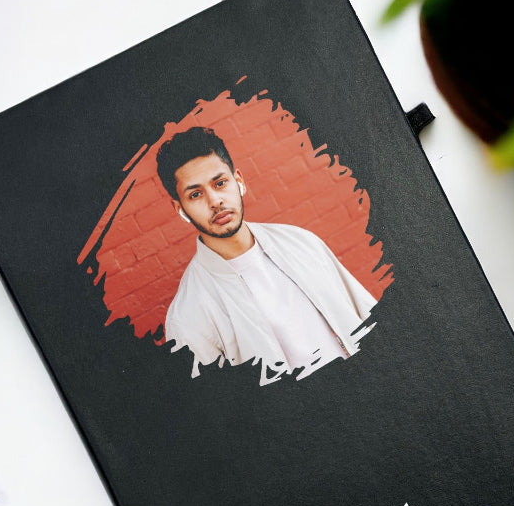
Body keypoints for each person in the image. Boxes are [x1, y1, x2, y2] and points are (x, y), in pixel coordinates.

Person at [156, 127, 377, 385]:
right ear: (180, 208)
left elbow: (370, 320)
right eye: (195, 194)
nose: (215, 200)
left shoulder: (301, 242)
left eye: (220, 183)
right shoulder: (188, 317)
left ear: (238, 181)